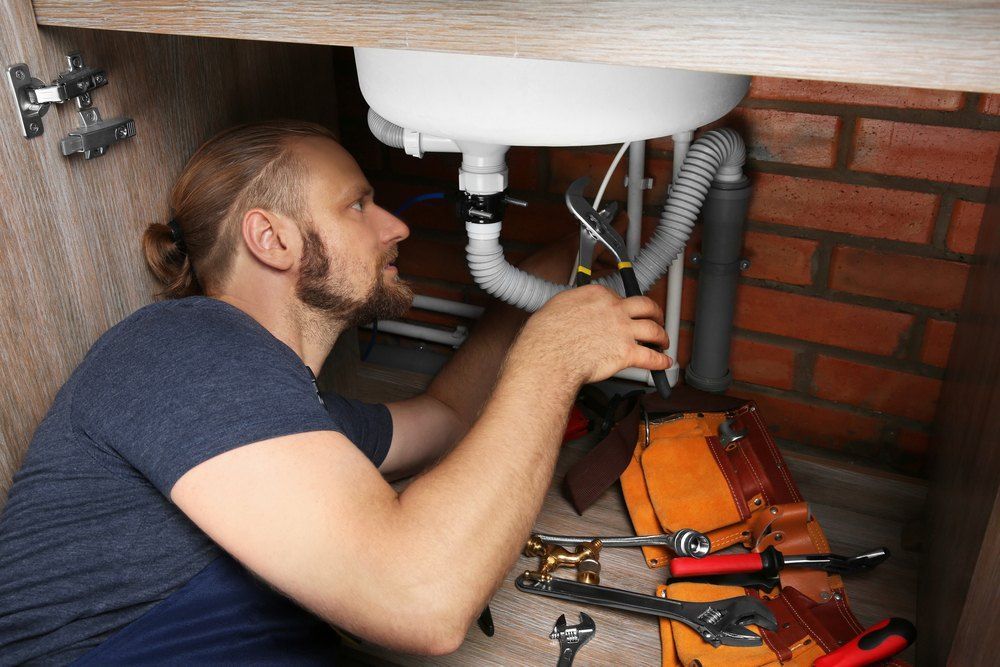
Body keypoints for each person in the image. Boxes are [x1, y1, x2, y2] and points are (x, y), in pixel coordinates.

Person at [0, 120, 670, 663]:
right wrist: (553, 358)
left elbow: (447, 415)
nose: (395, 226)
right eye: (358, 204)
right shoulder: (182, 349)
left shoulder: (279, 416)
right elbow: (422, 600)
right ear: (272, 238)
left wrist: (543, 286)